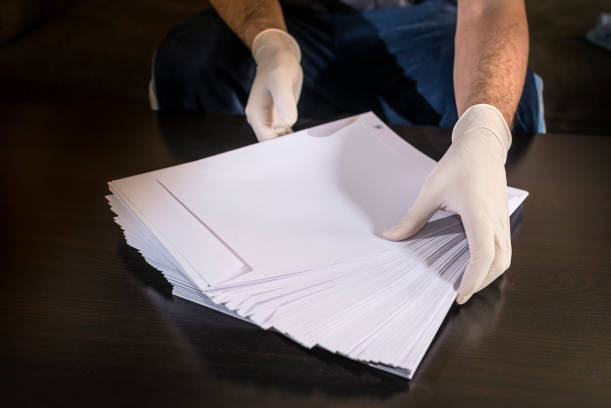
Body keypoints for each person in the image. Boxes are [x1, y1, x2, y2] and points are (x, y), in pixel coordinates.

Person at [150, 0, 544, 304]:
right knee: (190, 65)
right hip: (290, 16)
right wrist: (268, 39)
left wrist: (484, 131)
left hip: (420, 21)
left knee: (513, 104)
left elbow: (490, 7)